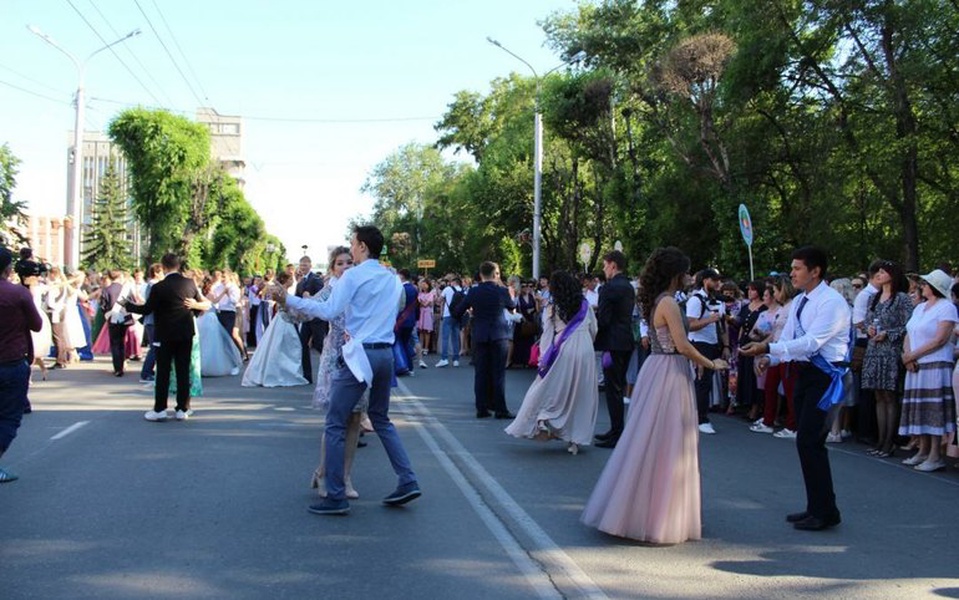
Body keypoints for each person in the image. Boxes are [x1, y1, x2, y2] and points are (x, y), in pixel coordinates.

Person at [582, 247, 727, 543]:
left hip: (660, 369)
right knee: (669, 441)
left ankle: (642, 508)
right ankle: (659, 515)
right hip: (670, 372)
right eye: (686, 272)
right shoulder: (669, 303)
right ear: (675, 274)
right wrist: (712, 363)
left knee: (650, 438)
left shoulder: (658, 300)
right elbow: (683, 345)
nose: (689, 277)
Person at [275, 225, 420, 516]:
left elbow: (328, 310)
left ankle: (336, 494)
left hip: (359, 355)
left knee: (335, 422)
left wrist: (287, 298)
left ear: (363, 246)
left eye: (353, 244)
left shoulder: (353, 276)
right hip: (384, 354)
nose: (351, 249)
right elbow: (396, 310)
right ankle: (407, 479)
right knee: (380, 419)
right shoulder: (391, 279)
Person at [742, 246, 851, 532]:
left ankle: (826, 510)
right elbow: (790, 338)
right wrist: (770, 357)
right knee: (806, 440)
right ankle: (817, 506)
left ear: (815, 271)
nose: (792, 273)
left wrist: (767, 347)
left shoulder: (832, 302)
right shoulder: (802, 301)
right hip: (804, 374)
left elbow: (812, 342)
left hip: (826, 378)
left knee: (810, 441)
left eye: (798, 268)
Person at [505, 270, 598, 454]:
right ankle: (575, 438)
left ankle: (545, 418)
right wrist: (587, 345)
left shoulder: (552, 307)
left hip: (564, 349)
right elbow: (594, 329)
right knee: (580, 394)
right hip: (586, 349)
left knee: (550, 388)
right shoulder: (585, 305)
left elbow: (547, 334)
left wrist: (543, 360)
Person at [123, 253, 211, 422]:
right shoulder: (190, 284)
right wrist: (195, 306)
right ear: (179, 266)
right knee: (183, 371)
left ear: (163, 267)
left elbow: (147, 309)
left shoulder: (159, 287)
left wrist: (128, 305)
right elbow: (203, 305)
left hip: (164, 335)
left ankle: (160, 409)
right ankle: (182, 409)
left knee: (163, 372)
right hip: (185, 333)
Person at [309, 246, 366, 500]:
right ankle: (324, 474)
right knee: (336, 419)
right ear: (332, 268)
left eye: (350, 263)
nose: (345, 267)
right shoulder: (329, 291)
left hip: (359, 358)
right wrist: (284, 301)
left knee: (355, 419)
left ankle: (345, 476)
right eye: (340, 263)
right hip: (335, 358)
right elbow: (304, 310)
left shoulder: (361, 291)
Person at [898, 269, 958, 472]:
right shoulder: (920, 308)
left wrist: (913, 355)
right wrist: (907, 355)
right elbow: (909, 332)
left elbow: (940, 339)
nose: (921, 286)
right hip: (916, 365)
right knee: (919, 409)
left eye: (925, 284)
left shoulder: (946, 307)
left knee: (934, 411)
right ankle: (922, 450)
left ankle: (935, 454)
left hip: (935, 364)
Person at [452, 261, 517, 419]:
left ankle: (481, 408)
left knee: (480, 373)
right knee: (498, 373)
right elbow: (511, 306)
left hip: (480, 335)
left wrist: (472, 311)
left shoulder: (474, 292)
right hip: (499, 335)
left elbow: (458, 311)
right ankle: (500, 408)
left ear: (480, 275)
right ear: (495, 274)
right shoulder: (501, 291)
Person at [860, 260, 912, 457]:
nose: (879, 274)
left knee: (889, 396)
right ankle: (880, 440)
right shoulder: (874, 298)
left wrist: (889, 334)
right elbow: (866, 321)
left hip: (890, 350)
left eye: (883, 271)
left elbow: (909, 324)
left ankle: (889, 441)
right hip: (874, 350)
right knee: (878, 396)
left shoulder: (902, 299)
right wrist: (869, 329)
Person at [0, 247, 43, 482]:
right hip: (11, 361)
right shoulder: (18, 294)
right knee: (9, 416)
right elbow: (37, 325)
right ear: (8, 269)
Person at [592, 250, 635, 448]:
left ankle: (616, 432)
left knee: (612, 389)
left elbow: (604, 319)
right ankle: (615, 429)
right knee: (617, 386)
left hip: (611, 343)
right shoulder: (628, 286)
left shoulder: (608, 288)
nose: (603, 269)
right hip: (625, 341)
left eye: (604, 265)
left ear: (613, 265)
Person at [242, 271, 309, 387]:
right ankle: (281, 372)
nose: (292, 281)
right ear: (287, 280)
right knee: (284, 345)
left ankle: (284, 370)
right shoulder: (281, 291)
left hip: (284, 318)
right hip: (283, 319)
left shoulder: (282, 290)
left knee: (283, 345)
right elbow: (281, 305)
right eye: (290, 279)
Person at [686, 268, 729, 435]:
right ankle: (700, 419)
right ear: (705, 281)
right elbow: (690, 324)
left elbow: (722, 325)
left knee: (707, 381)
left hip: (713, 344)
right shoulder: (696, 300)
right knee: (701, 381)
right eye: (714, 280)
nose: (718, 283)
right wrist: (709, 319)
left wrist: (726, 346)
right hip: (699, 344)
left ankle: (700, 415)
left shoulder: (719, 301)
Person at [295, 255, 326, 384]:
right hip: (306, 319)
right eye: (301, 265)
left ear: (310, 265)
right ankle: (307, 376)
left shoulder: (316, 279)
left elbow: (322, 296)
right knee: (302, 344)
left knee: (319, 344)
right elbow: (297, 299)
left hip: (317, 319)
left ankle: (331, 366)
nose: (303, 267)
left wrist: (311, 297)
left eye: (305, 265)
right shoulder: (301, 282)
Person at [436, 276, 465, 368]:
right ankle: (456, 360)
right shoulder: (462, 290)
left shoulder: (447, 289)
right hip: (457, 316)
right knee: (455, 337)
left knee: (445, 337)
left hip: (447, 315)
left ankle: (444, 359)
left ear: (453, 282)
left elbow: (439, 300)